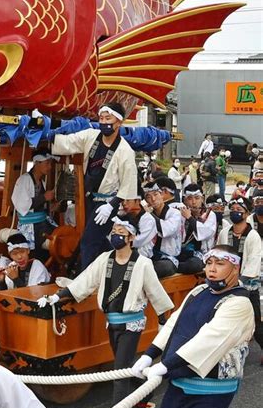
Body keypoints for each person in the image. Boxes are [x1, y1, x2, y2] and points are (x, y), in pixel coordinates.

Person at [38, 217, 174, 408]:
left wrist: (163, 321)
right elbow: (85, 281)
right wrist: (58, 296)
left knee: (119, 370)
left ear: (131, 238)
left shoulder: (142, 264)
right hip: (112, 322)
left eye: (121, 232)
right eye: (114, 231)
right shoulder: (105, 259)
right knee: (128, 364)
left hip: (132, 324)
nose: (116, 236)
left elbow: (156, 293)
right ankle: (143, 397)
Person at [132, 245, 255, 408]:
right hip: (179, 382)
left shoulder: (239, 303)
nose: (212, 269)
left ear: (235, 268)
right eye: (209, 263)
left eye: (220, 264)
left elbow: (208, 340)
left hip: (211, 391)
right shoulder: (199, 291)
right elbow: (175, 322)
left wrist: (165, 365)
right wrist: (150, 355)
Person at [52, 102, 137, 269]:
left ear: (118, 122)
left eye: (109, 118)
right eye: (102, 118)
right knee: (97, 239)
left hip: (107, 203)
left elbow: (127, 186)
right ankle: (113, 267)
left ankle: (84, 281)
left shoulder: (125, 151)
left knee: (88, 241)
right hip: (88, 197)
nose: (104, 122)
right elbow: (68, 142)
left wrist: (110, 206)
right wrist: (43, 131)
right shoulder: (91, 136)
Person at [217, 197, 262, 352]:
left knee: (256, 320)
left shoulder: (253, 235)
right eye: (233, 210)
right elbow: (219, 254)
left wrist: (241, 280)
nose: (235, 213)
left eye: (239, 210)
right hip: (227, 282)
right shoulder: (224, 232)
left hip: (247, 284)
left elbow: (254, 260)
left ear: (247, 213)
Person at [11, 153, 59, 262]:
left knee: (61, 237)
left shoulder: (41, 182)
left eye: (50, 164)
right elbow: (22, 204)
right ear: (37, 163)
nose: (50, 167)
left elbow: (38, 206)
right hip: (30, 227)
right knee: (36, 255)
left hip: (41, 224)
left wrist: (51, 208)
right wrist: (44, 197)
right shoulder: (24, 180)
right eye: (47, 163)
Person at [142, 182, 181, 278]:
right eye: (148, 197)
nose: (153, 199)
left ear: (162, 194)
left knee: (162, 267)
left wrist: (150, 214)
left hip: (168, 258)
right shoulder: (144, 216)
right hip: (149, 257)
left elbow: (166, 230)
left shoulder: (174, 213)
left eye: (156, 194)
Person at [176, 184, 217, 274]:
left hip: (201, 254)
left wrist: (190, 218)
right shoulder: (180, 213)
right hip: (182, 251)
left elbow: (205, 233)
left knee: (194, 264)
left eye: (197, 198)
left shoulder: (209, 214)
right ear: (184, 200)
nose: (193, 202)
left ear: (202, 199)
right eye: (190, 198)